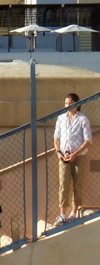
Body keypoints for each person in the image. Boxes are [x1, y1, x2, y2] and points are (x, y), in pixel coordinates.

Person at [53, 92, 92, 223]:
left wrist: (76, 153)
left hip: (79, 156)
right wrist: (58, 152)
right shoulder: (61, 118)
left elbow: (87, 140)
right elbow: (56, 138)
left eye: (70, 103)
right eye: (66, 103)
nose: (68, 106)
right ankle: (62, 213)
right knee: (63, 184)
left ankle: (74, 212)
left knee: (77, 183)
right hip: (64, 155)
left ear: (77, 104)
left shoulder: (82, 119)